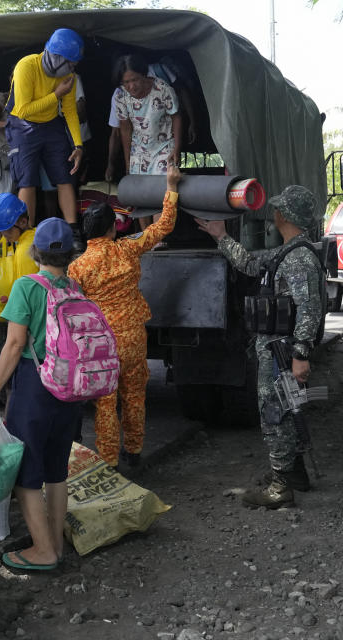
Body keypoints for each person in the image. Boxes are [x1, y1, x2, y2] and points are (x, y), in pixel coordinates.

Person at [196, 185, 325, 509]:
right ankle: (292, 473)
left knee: (275, 413)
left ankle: (281, 487)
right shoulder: (288, 251)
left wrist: (300, 356)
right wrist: (220, 236)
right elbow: (251, 264)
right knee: (287, 409)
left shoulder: (299, 259)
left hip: (284, 353)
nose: (274, 212)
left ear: (286, 216)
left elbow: (309, 309)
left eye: (279, 209)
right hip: (279, 349)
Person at [0, 218, 80, 571]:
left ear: (35, 250)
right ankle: (56, 544)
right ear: (71, 253)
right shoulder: (75, 287)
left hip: (36, 385)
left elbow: (15, 344)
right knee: (56, 470)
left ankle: (43, 551)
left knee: (25, 473)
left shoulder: (26, 286)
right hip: (70, 388)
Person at [67, 166, 181, 468]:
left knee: (104, 401)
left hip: (100, 344)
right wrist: (171, 187)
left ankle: (108, 461)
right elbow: (163, 226)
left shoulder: (76, 268)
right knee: (133, 395)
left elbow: (72, 310)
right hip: (132, 337)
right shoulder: (127, 250)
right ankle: (133, 451)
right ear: (112, 228)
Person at [5, 28, 85, 240]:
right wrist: (56, 94)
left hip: (51, 124)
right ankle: (27, 233)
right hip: (22, 124)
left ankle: (73, 230)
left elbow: (69, 111)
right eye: (70, 64)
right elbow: (23, 110)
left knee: (65, 175)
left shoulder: (69, 76)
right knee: (27, 180)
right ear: (57, 58)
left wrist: (78, 145)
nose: (73, 69)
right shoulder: (27, 66)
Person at [111, 54, 182, 229]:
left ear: (144, 74)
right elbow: (125, 129)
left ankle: (158, 235)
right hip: (139, 149)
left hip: (164, 146)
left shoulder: (162, 88)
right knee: (140, 191)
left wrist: (177, 148)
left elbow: (177, 116)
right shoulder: (120, 95)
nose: (131, 86)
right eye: (126, 82)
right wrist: (128, 160)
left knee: (160, 189)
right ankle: (146, 236)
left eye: (134, 80)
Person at [0, 192, 39, 278]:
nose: (4, 235)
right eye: (1, 231)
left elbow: (26, 288)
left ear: (23, 222)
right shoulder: (34, 234)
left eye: (7, 229)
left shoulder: (24, 251)